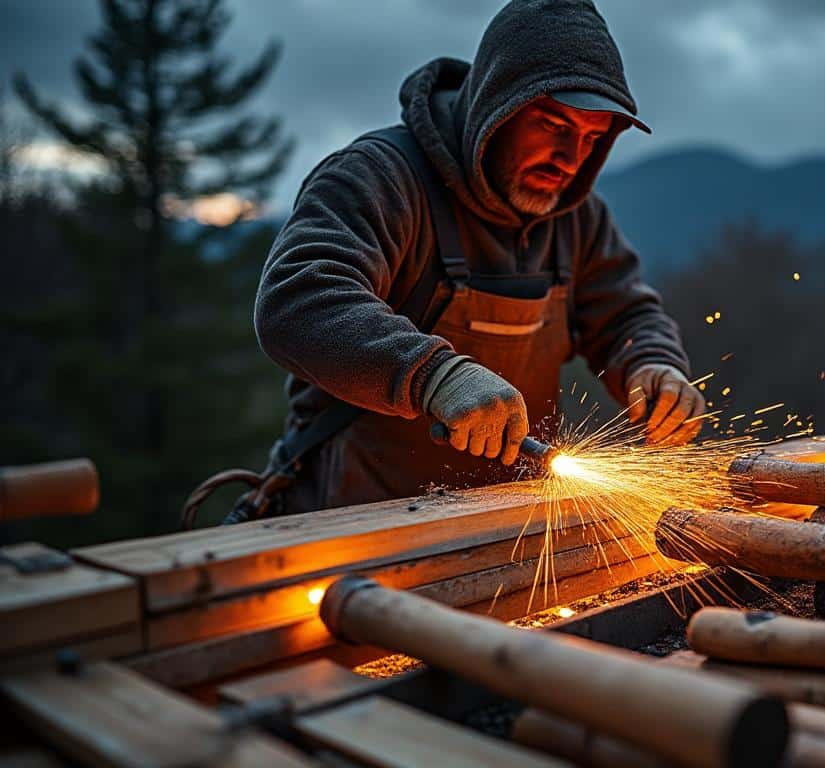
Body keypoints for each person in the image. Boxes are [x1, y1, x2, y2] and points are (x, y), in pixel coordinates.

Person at [252, 0, 705, 514]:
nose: (570, 158)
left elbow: (625, 314)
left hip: (500, 531)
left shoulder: (576, 216)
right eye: (554, 125)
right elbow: (299, 299)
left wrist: (653, 364)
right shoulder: (378, 180)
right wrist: (433, 376)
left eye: (592, 137)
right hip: (348, 531)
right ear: (497, 105)